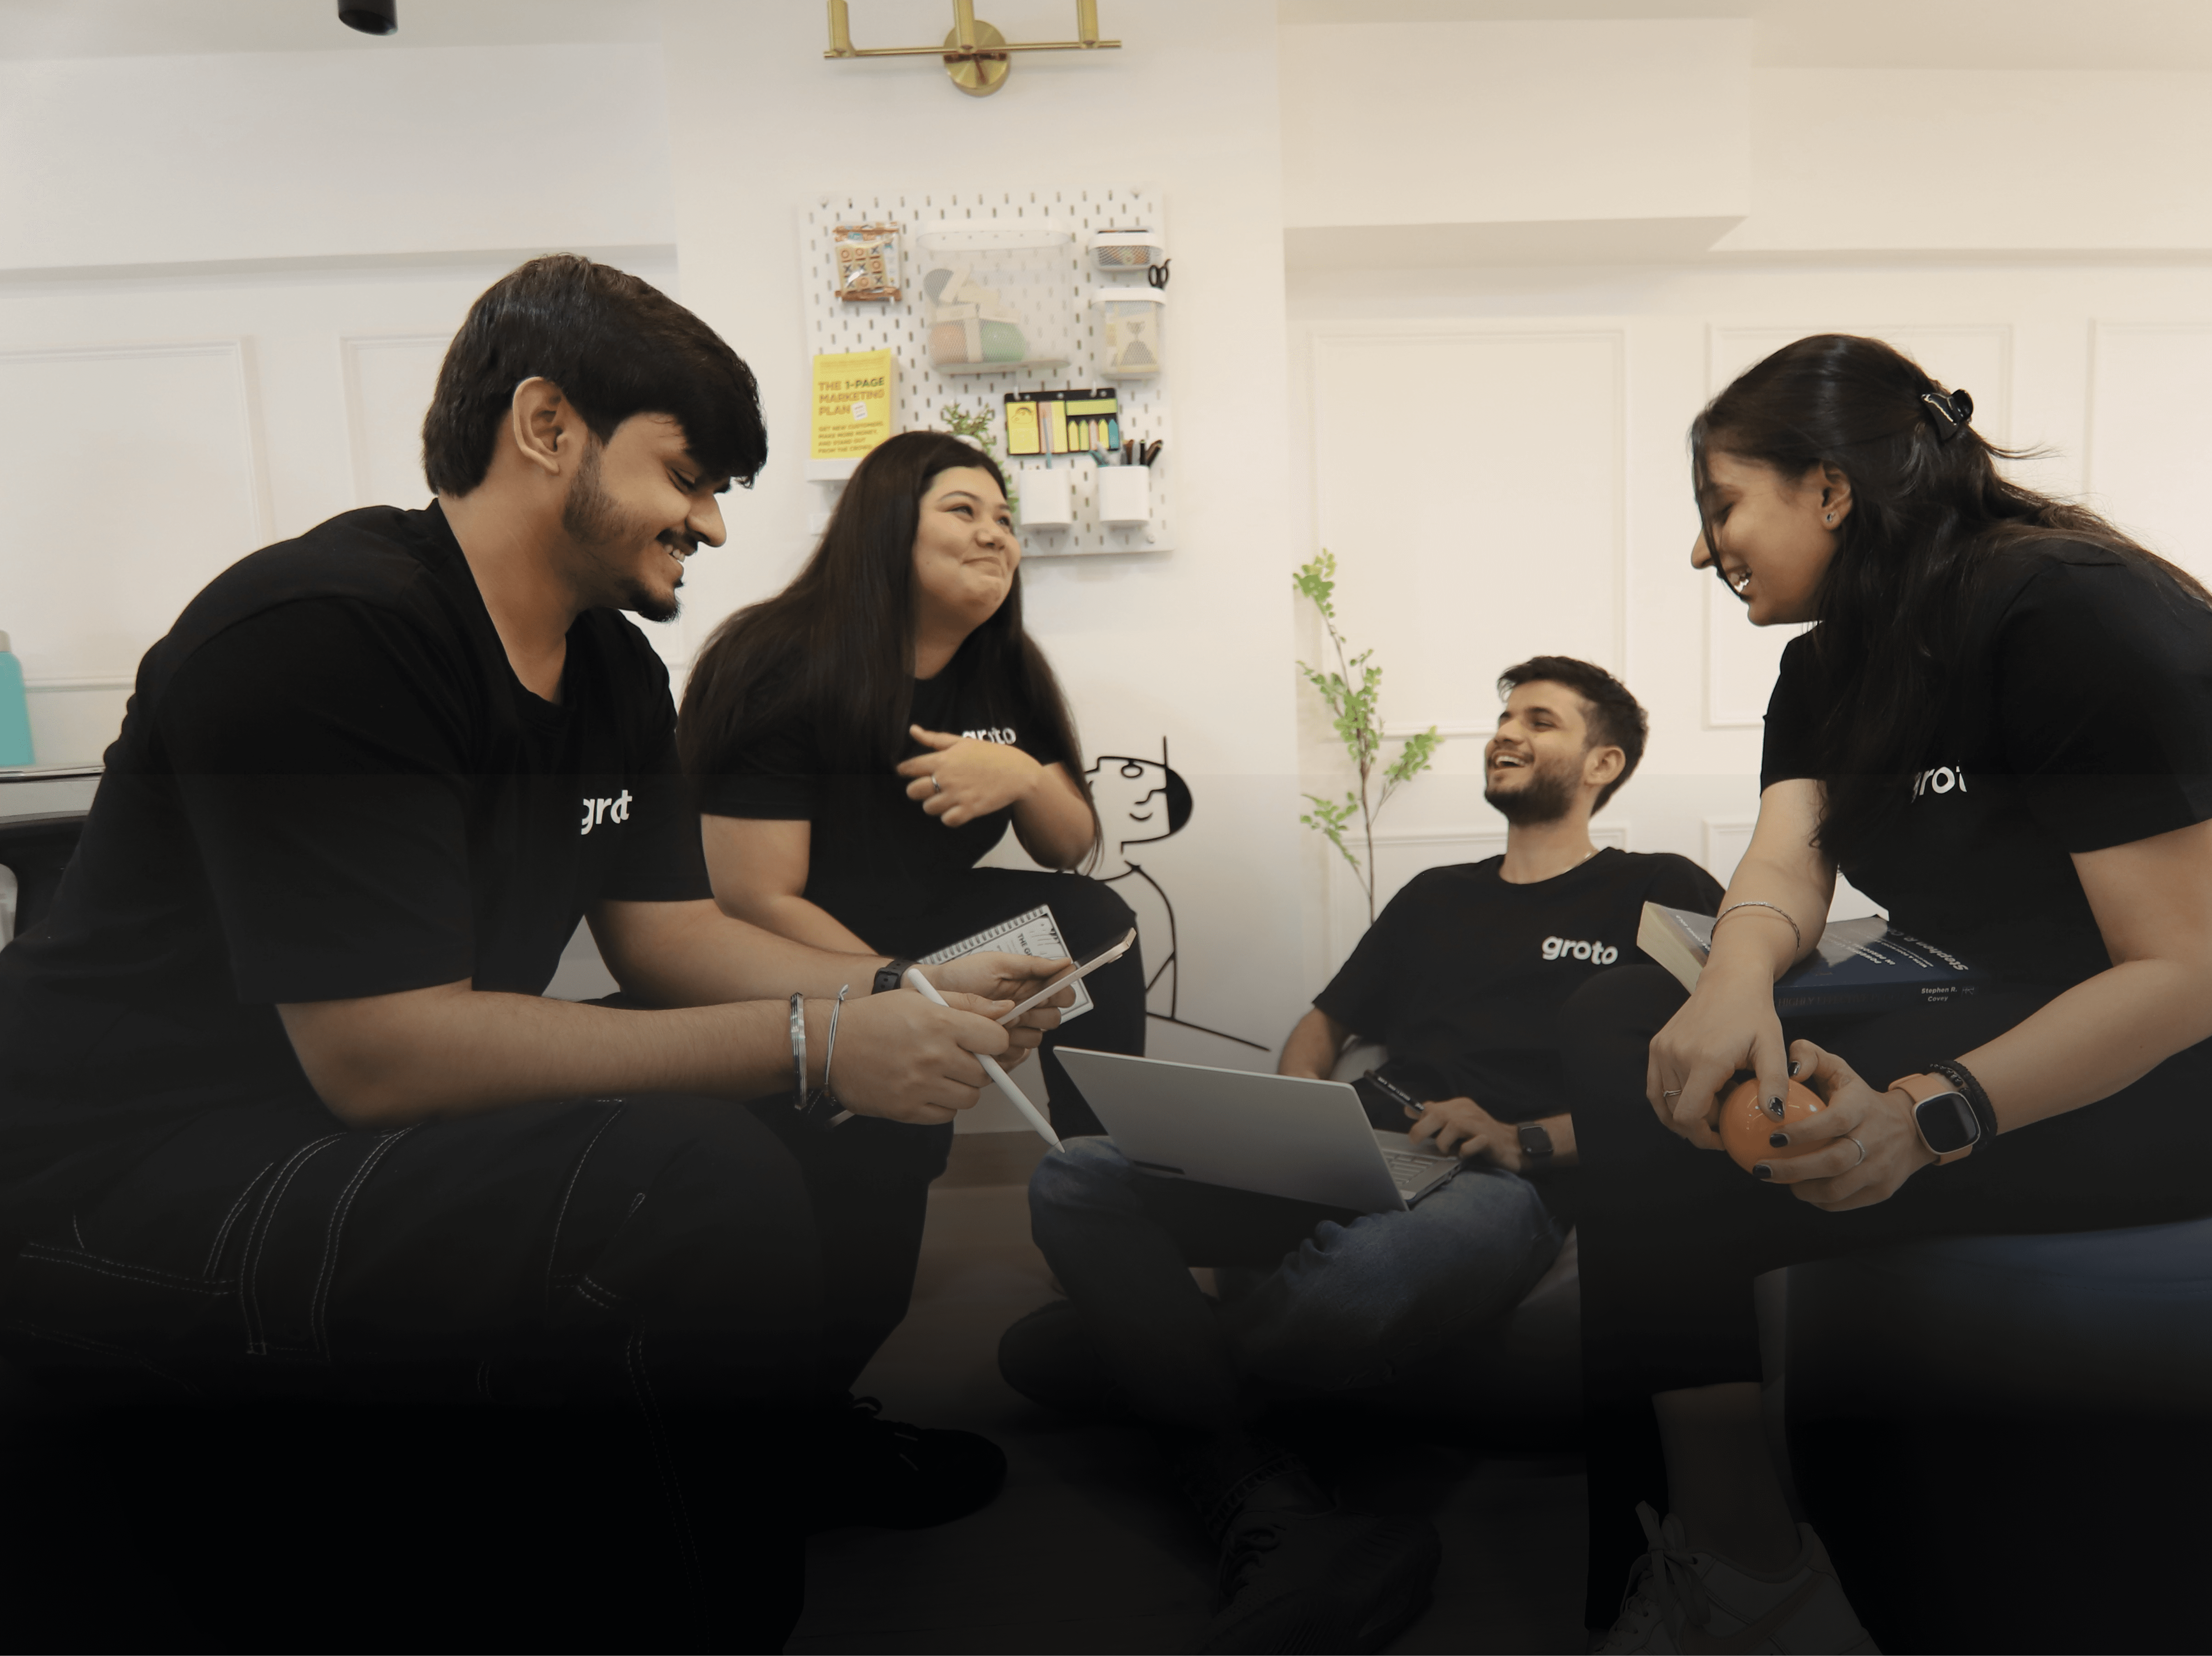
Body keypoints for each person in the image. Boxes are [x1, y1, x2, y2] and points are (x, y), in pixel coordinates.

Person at [0, 255, 1070, 1650]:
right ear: (549, 426)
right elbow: (379, 1053)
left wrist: (899, 1001)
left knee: (847, 1103)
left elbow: (675, 937)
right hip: (122, 1175)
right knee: (697, 1173)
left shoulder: (614, 670)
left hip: (313, 1117)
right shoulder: (325, 632)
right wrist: (816, 1037)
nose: (711, 527)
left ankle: (772, 1442)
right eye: (687, 477)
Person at [1559, 335, 2212, 1654]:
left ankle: (1743, 1578)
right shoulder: (1826, 668)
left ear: (1829, 489)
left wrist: (1926, 1116)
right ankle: (1729, 1556)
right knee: (1630, 1039)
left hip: (2197, 1053)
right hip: (1989, 989)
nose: (1705, 552)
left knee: (1672, 1164)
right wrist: (1735, 979)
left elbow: (2190, 974)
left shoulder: (2073, 613)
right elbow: (1782, 867)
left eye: (1720, 506)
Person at [1004, 657, 1725, 1656]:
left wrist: (1526, 1138)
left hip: (1501, 1177)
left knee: (1364, 1282)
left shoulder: (1656, 887)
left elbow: (1709, 1060)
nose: (1506, 732)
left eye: (1541, 721)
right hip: (1349, 1137)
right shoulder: (1436, 894)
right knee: (1074, 1177)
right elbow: (1325, 1021)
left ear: (1605, 762)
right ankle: (1202, 1381)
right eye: (1504, 715)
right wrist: (1292, 1112)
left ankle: (1165, 1374)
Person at [679, 431, 1144, 1190]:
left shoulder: (1005, 669)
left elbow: (1070, 846)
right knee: (888, 1194)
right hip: (799, 943)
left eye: (1004, 518)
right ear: (887, 526)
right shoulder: (775, 661)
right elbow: (754, 899)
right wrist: (910, 990)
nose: (995, 532)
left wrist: (1024, 776)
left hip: (929, 923)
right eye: (964, 509)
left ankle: (1108, 1191)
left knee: (1094, 921)